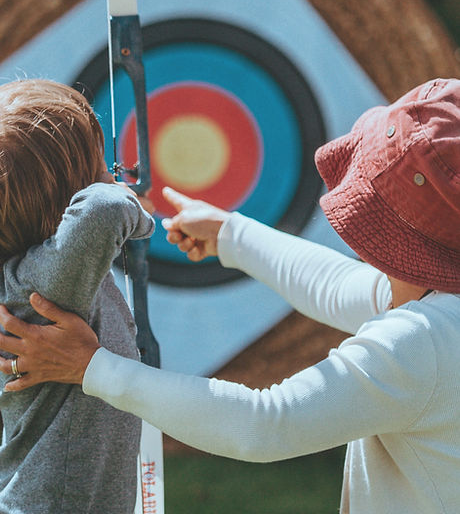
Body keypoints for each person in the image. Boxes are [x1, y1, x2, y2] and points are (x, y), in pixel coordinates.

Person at [1, 77, 460, 514]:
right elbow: (339, 287)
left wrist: (92, 367)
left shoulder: (425, 342)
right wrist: (231, 235)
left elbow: (267, 424)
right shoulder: (438, 303)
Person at [0, 78, 155, 513]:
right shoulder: (47, 286)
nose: (112, 173)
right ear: (70, 197)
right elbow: (105, 211)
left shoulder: (43, 272)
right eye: (100, 165)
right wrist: (134, 208)